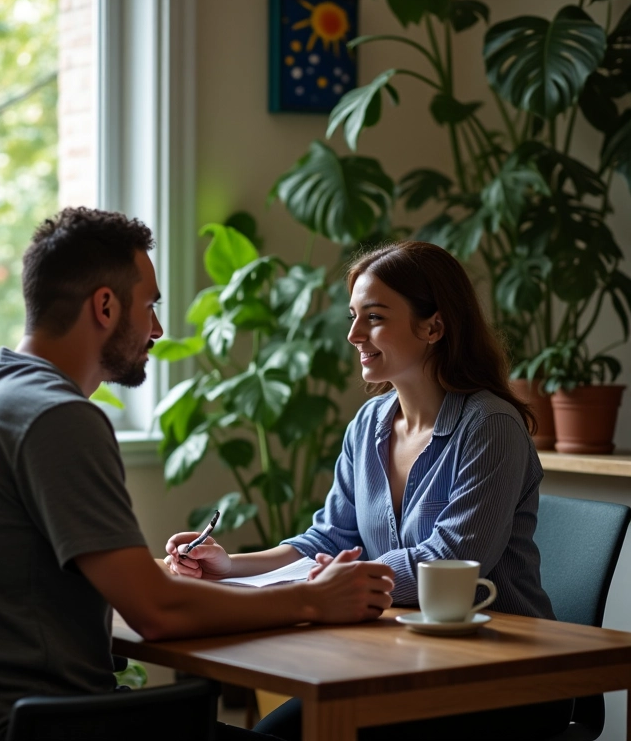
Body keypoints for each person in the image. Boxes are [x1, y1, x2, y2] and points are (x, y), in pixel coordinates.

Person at [0, 207, 395, 741]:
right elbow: (156, 612)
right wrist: (314, 599)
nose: (157, 328)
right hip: (42, 729)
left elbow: (38, 571)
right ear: (105, 305)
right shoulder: (56, 416)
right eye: (149, 305)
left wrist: (165, 574)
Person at [164, 241, 573, 740]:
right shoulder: (370, 423)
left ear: (433, 327)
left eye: (374, 318)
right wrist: (233, 566)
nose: (354, 334)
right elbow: (330, 536)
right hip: (400, 661)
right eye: (354, 316)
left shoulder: (490, 426)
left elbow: (459, 559)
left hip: (504, 677)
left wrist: (349, 579)